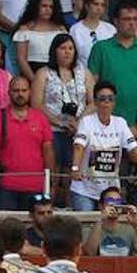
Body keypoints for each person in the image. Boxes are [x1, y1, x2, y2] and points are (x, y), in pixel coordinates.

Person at [71, 79, 137, 211]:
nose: (106, 102)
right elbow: (79, 146)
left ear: (114, 102)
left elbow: (133, 149)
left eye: (110, 98)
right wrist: (75, 168)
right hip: (84, 189)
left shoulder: (120, 123)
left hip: (111, 191)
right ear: (96, 102)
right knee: (86, 227)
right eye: (102, 98)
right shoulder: (86, 121)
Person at [0, 76, 54, 210]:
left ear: (30, 92)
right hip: (3, 187)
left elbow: (48, 151)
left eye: (24, 90)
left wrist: (50, 181)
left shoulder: (40, 118)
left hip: (34, 186)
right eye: (16, 90)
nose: (20, 94)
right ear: (9, 92)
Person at [87, 2, 137, 135]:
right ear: (115, 21)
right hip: (109, 123)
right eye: (126, 19)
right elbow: (90, 84)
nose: (132, 23)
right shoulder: (101, 48)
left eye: (135, 19)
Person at [33, 32, 93, 205]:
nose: (67, 52)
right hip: (52, 130)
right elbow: (37, 103)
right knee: (53, 174)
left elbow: (93, 101)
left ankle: (70, 211)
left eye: (70, 48)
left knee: (71, 176)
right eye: (62, 48)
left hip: (78, 131)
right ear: (54, 51)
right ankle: (48, 209)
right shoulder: (44, 73)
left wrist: (79, 121)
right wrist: (60, 122)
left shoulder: (83, 72)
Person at [10, 0, 64, 81]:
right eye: (44, 6)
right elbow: (21, 59)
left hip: (56, 74)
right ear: (35, 7)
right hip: (31, 72)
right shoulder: (25, 30)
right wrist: (35, 80)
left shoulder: (60, 30)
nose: (48, 10)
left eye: (51, 7)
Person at [84, 188, 137, 256]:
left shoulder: (129, 231)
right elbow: (90, 253)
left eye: (118, 201)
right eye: (110, 201)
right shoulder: (92, 230)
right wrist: (100, 220)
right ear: (101, 206)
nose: (114, 205)